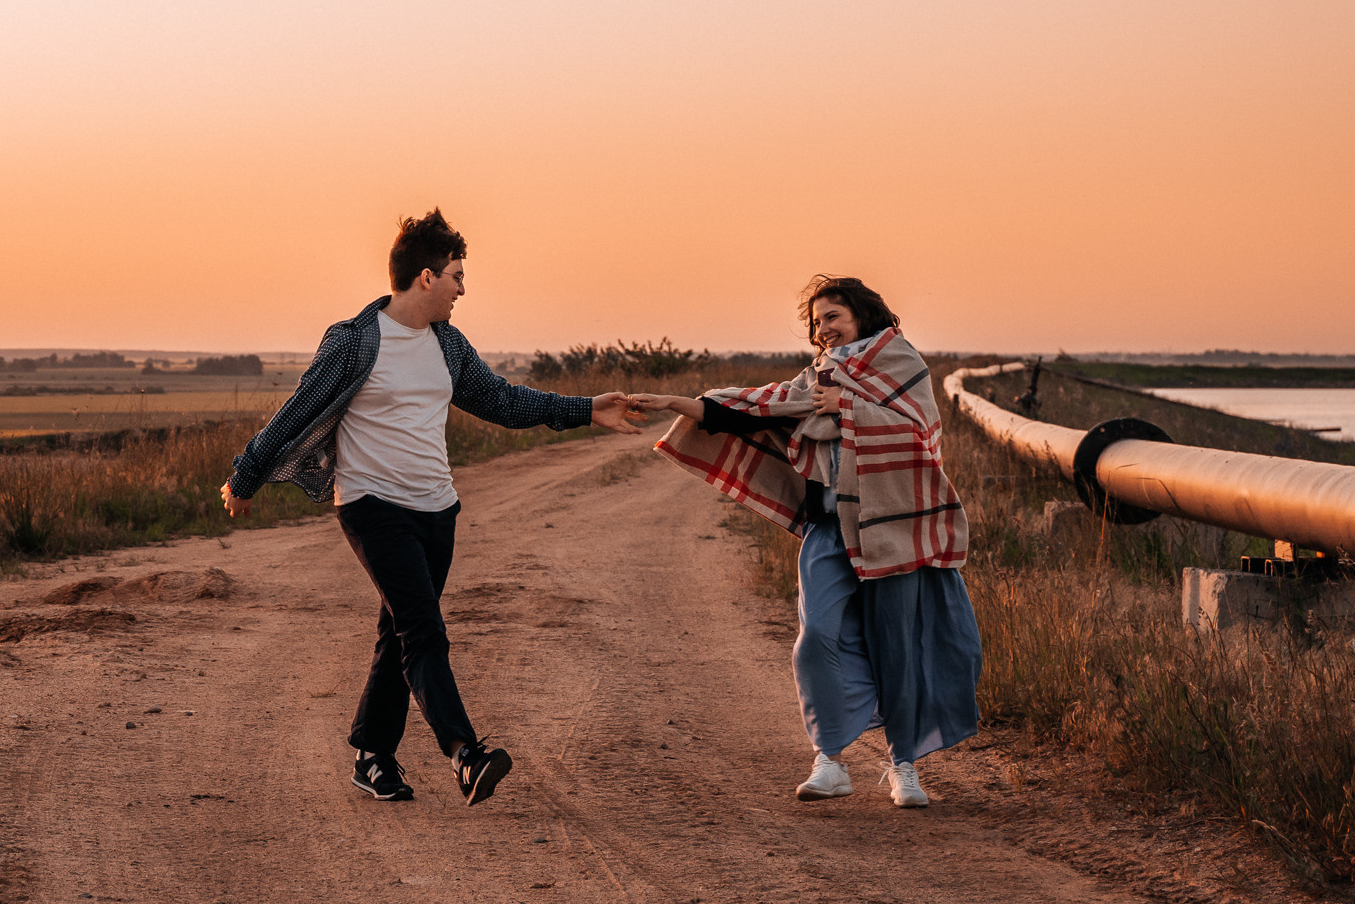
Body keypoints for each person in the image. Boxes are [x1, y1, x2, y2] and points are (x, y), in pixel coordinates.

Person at [220, 209, 644, 805]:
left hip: (436, 508)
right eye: (457, 276)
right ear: (425, 276)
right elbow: (300, 407)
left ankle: (372, 757)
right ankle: (465, 753)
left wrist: (585, 409)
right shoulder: (355, 340)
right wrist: (247, 473)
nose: (462, 289)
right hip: (371, 504)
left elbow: (499, 399)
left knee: (399, 627)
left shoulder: (446, 344)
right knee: (423, 629)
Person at [635, 276, 980, 808]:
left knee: (898, 647)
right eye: (818, 322)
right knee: (817, 635)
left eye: (833, 317)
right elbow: (758, 405)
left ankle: (903, 765)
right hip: (829, 527)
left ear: (862, 315)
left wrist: (847, 408)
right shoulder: (820, 373)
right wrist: (676, 403)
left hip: (894, 527)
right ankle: (831, 759)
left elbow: (920, 436)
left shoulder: (904, 364)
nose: (824, 330)